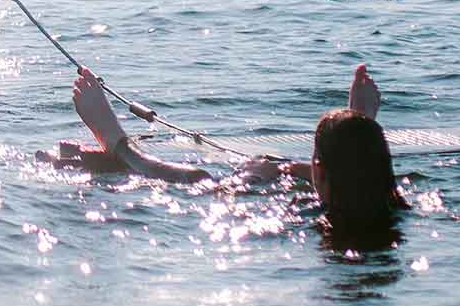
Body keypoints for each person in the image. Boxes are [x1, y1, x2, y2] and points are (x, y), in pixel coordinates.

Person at [61, 63, 408, 239]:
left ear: (320, 169)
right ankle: (359, 129)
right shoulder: (396, 205)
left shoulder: (312, 220)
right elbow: (351, 174)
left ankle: (117, 140)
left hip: (252, 213)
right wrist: (358, 128)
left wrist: (248, 177)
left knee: (203, 180)